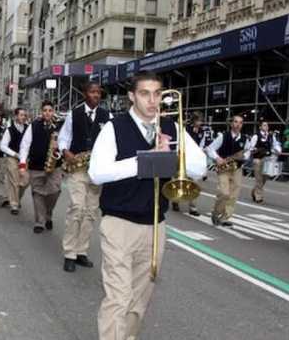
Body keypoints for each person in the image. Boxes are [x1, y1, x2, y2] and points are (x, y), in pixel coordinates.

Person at [88, 72, 206, 340]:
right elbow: (97, 173)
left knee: (139, 300)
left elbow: (199, 167)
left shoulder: (172, 128)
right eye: (145, 93)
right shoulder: (114, 127)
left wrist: (173, 156)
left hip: (155, 224)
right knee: (118, 296)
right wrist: (146, 160)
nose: (153, 100)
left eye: (158, 94)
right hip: (119, 223)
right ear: (131, 96)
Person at [57, 82, 112, 272]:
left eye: (98, 92)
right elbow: (63, 137)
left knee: (91, 212)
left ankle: (82, 251)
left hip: (96, 170)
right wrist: (66, 152)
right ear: (84, 94)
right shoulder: (74, 113)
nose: (96, 95)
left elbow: (112, 140)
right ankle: (69, 253)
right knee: (77, 208)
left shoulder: (107, 116)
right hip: (78, 168)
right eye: (92, 91)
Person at [19, 101, 62, 234]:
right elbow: (25, 145)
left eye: (50, 110)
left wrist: (58, 152)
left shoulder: (60, 126)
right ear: (41, 112)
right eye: (45, 110)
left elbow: (66, 144)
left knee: (54, 192)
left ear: (53, 111)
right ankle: (40, 222)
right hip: (36, 167)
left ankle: (48, 213)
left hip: (54, 166)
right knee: (37, 194)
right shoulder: (34, 126)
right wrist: (22, 163)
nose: (47, 113)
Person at [206, 115, 250, 227]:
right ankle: (216, 213)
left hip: (237, 169)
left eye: (240, 122)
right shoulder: (223, 136)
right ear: (231, 124)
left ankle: (225, 217)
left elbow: (247, 153)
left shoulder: (245, 139)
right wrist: (217, 158)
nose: (238, 124)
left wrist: (244, 156)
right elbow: (210, 148)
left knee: (234, 195)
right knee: (224, 193)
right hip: (224, 168)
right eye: (235, 122)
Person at [173, 111, 208, 216]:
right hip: (184, 156)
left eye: (201, 120)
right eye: (198, 120)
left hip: (195, 158)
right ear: (194, 120)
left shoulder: (202, 131)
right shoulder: (186, 129)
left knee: (195, 183)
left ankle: (193, 207)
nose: (200, 122)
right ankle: (176, 200)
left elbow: (201, 145)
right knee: (179, 180)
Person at [0, 108, 29, 215]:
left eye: (24, 115)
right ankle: (14, 205)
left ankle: (15, 198)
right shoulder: (10, 130)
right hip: (12, 158)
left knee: (25, 181)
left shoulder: (28, 128)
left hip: (24, 158)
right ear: (16, 116)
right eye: (21, 115)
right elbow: (2, 146)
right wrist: (15, 154)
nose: (23, 117)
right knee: (14, 181)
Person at [247, 121, 282, 203]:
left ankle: (254, 191)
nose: (266, 126)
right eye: (264, 125)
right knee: (258, 178)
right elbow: (251, 147)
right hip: (258, 159)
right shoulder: (256, 136)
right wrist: (256, 150)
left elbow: (275, 144)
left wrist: (278, 150)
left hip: (268, 159)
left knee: (265, 178)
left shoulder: (271, 136)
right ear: (260, 127)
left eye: (267, 125)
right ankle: (259, 197)